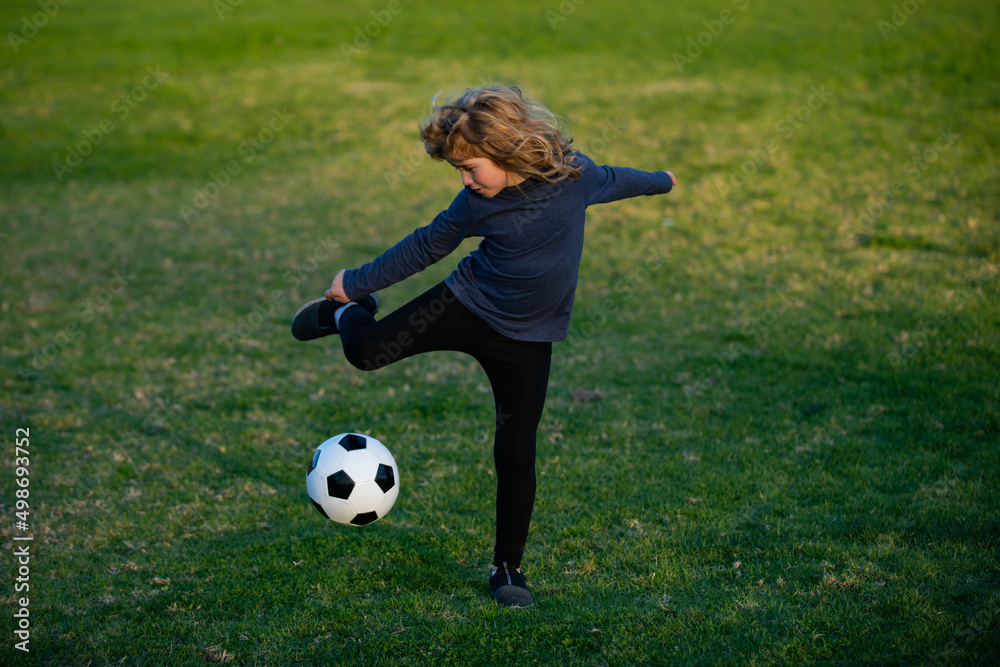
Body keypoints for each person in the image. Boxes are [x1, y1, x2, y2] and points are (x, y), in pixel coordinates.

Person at [292, 85, 676, 607]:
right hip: (466, 306)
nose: (466, 180)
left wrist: (661, 181)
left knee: (516, 451)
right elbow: (426, 245)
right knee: (364, 352)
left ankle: (507, 568)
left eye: (471, 168)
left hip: (527, 340)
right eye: (459, 171)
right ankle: (341, 314)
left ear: (506, 150)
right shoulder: (476, 202)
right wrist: (354, 284)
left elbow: (616, 179)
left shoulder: (574, 176)